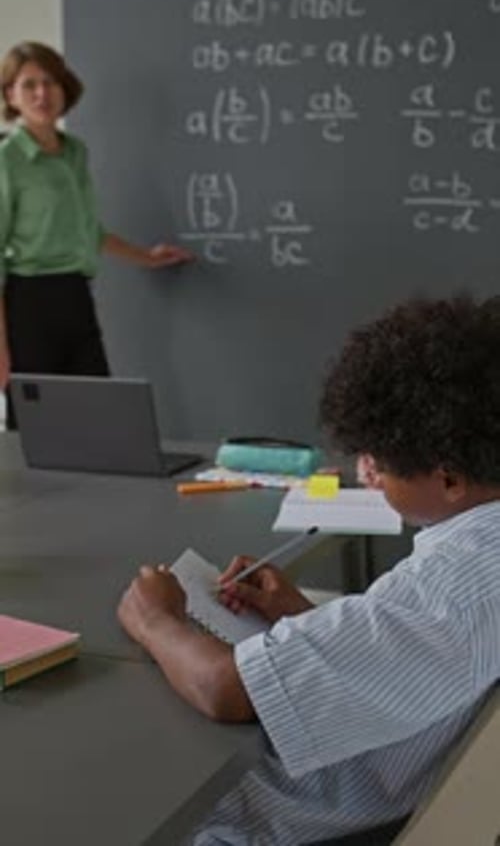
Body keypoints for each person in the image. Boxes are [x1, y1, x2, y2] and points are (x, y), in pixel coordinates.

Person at [118, 295, 500, 846]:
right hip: (379, 785)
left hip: (294, 820)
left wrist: (157, 619)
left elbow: (226, 691)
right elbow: (403, 648)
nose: (368, 474)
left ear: (448, 480)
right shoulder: (478, 555)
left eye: (381, 463)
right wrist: (299, 614)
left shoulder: (445, 588)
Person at [0, 41, 194, 427]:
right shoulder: (7, 160)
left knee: (95, 421)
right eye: (29, 84)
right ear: (10, 95)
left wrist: (146, 257)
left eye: (51, 82)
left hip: (75, 296)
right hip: (27, 303)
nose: (42, 93)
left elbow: (87, 230)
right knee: (38, 430)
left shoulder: (75, 152)